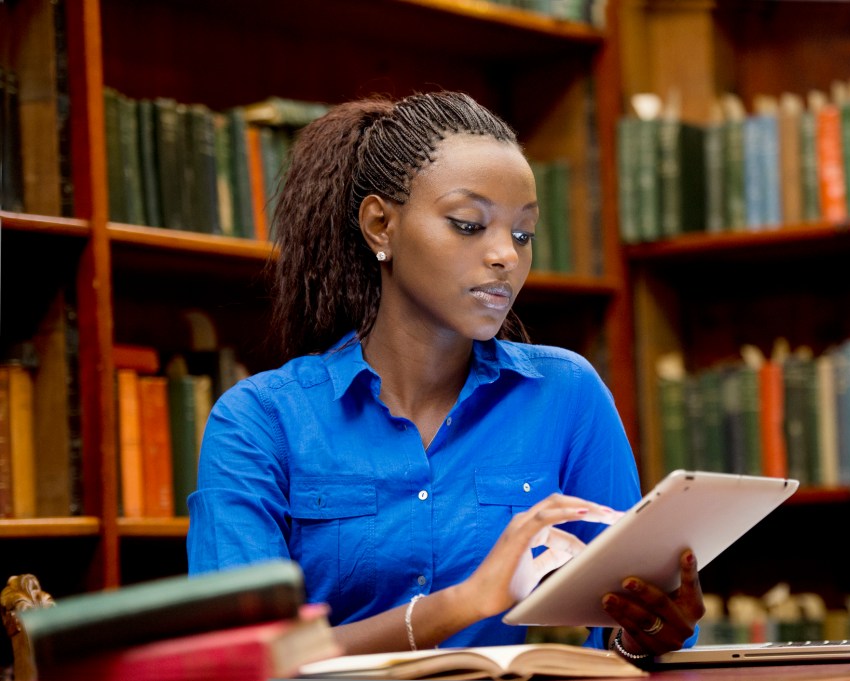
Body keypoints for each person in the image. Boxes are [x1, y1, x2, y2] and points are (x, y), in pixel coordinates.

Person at [186, 90, 704, 659]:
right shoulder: (258, 422)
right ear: (381, 225)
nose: (505, 254)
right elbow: (236, 658)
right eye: (468, 224)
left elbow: (624, 629)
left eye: (523, 233)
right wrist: (462, 604)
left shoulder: (568, 395)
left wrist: (644, 631)